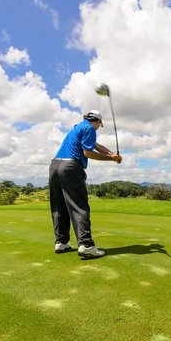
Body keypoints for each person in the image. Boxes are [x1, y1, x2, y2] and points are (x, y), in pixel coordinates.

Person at [49, 110, 122, 258]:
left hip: (55, 166)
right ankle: (86, 245)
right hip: (70, 168)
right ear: (98, 122)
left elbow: (97, 146)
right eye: (99, 125)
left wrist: (111, 154)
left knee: (59, 206)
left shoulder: (78, 127)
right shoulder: (89, 128)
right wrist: (110, 159)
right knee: (79, 206)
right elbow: (88, 152)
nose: (98, 128)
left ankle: (61, 242)